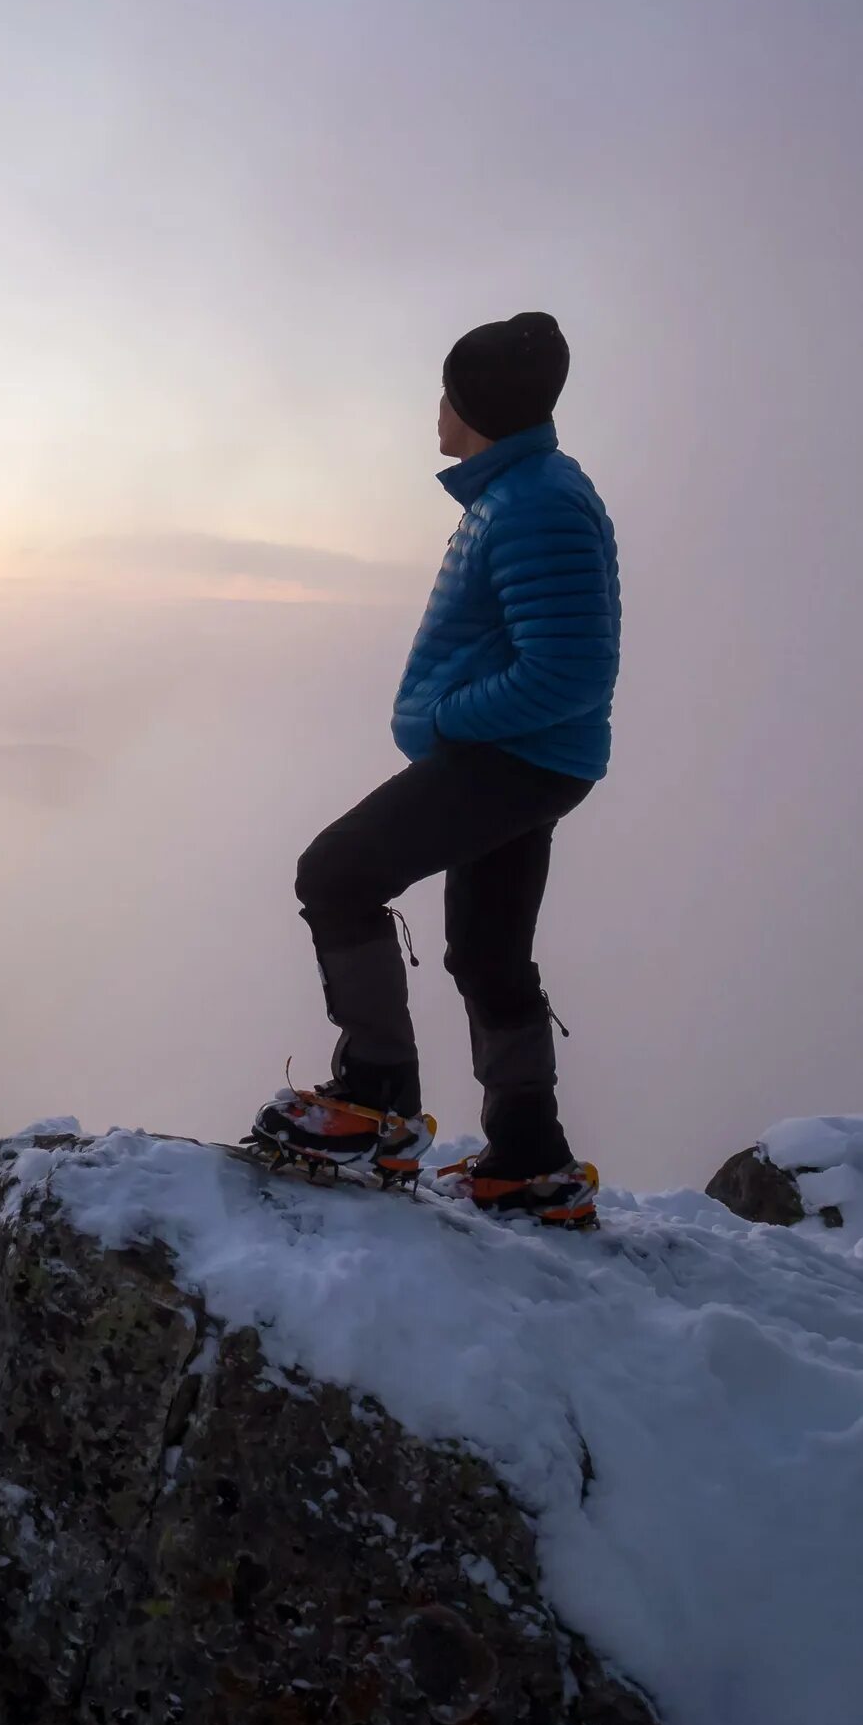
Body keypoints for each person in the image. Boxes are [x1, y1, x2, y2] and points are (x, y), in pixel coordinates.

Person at [248, 311, 620, 1225]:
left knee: (335, 875)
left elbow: (569, 671)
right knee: (489, 955)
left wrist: (447, 720)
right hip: (527, 760)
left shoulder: (536, 501)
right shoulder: (523, 491)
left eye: (448, 394)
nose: (437, 410)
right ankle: (530, 1159)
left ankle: (375, 1100)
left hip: (511, 758)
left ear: (478, 404)